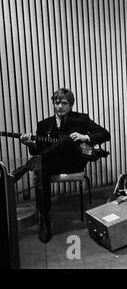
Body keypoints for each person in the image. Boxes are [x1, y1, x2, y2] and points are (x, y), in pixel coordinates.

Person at [13, 88, 110, 243]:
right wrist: (30, 144)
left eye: (64, 103)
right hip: (53, 163)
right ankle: (44, 222)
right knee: (42, 167)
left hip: (74, 162)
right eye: (57, 102)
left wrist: (85, 136)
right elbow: (39, 151)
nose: (60, 106)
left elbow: (105, 134)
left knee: (67, 140)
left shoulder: (81, 119)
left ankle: (25, 168)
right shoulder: (44, 125)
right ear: (53, 103)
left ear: (70, 105)